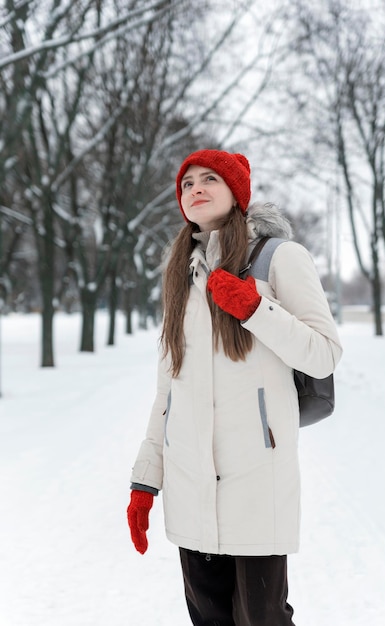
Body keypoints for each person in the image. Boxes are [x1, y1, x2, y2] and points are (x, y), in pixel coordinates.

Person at [127, 149, 343, 625]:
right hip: (188, 485)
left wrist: (255, 309)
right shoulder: (180, 274)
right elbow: (168, 393)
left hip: (256, 481)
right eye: (186, 183)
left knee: (262, 619)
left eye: (210, 179)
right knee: (207, 619)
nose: (195, 188)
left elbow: (324, 353)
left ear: (237, 194)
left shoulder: (279, 257)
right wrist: (145, 481)